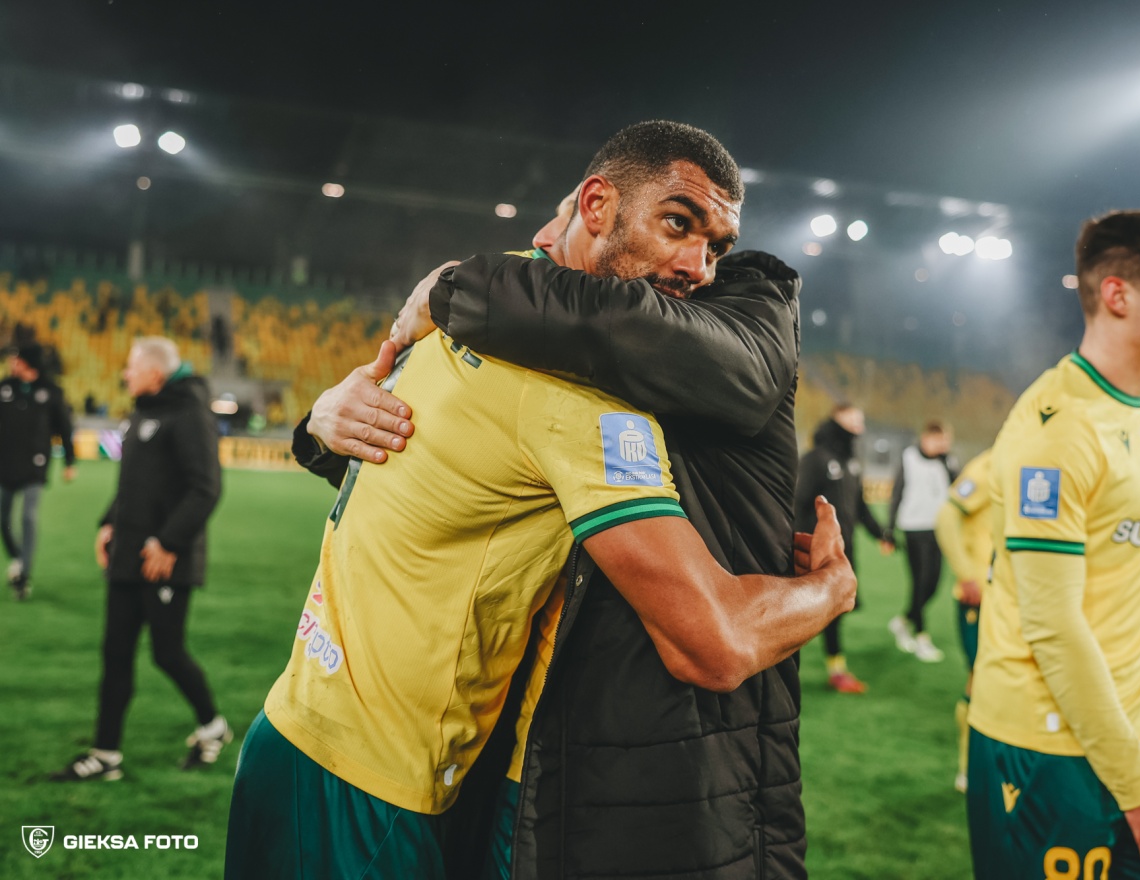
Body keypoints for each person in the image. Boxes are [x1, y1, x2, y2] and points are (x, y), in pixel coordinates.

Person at [226, 121, 854, 880]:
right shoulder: (574, 390)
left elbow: (441, 482)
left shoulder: (463, 315)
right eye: (676, 224)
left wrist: (318, 427)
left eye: (716, 248)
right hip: (374, 786)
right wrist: (831, 588)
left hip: (294, 732)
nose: (697, 268)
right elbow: (712, 642)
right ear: (594, 207)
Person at [967, 210, 1140, 878]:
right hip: (1045, 749)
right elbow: (1054, 626)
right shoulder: (1056, 431)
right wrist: (1137, 787)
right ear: (1117, 295)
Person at [51, 337, 228, 781]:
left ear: (155, 372)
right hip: (128, 557)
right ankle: (105, 755)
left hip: (164, 560)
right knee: (115, 655)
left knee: (167, 653)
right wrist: (108, 522)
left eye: (131, 366)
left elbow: (205, 488)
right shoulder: (141, 413)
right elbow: (135, 485)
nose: (125, 374)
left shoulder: (190, 414)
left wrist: (168, 543)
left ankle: (213, 727)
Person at [795, 404, 886, 693]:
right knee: (803, 611)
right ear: (838, 421)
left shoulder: (851, 462)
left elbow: (859, 506)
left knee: (832, 611)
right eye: (854, 420)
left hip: (843, 549)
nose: (860, 426)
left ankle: (836, 671)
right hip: (812, 549)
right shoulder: (816, 459)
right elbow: (797, 502)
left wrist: (880, 534)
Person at [933, 448, 993, 792]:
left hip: (1019, 601)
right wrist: (966, 573)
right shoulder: (990, 465)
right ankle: (969, 767)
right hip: (981, 598)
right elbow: (946, 516)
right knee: (980, 680)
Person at [0, 342, 76, 600]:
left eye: (16, 358)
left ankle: (24, 573)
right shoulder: (5, 387)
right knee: (2, 518)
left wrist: (70, 461)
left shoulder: (51, 391)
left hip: (35, 463)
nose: (12, 362)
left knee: (28, 516)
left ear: (27, 362)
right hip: (5, 463)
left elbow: (64, 427)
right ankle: (17, 557)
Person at [883, 420, 957, 662]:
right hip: (914, 528)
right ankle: (922, 638)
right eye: (939, 440)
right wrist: (889, 529)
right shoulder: (909, 458)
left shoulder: (947, 462)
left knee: (933, 585)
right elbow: (897, 494)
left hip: (940, 528)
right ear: (927, 438)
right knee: (920, 581)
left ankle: (903, 621)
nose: (943, 445)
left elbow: (958, 488)